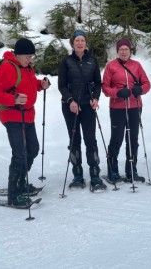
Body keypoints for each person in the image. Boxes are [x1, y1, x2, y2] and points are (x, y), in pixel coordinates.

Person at [0, 38, 50, 207]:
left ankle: (21, 182)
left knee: (33, 149)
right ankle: (14, 195)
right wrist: (13, 99)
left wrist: (40, 84)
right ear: (19, 54)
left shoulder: (27, 67)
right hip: (12, 116)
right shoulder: (7, 67)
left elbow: (27, 85)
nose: (31, 60)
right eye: (28, 56)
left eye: (32, 56)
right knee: (20, 154)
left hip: (28, 116)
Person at [58, 30, 106, 190]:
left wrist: (96, 98)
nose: (80, 43)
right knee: (74, 139)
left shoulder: (92, 61)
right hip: (69, 106)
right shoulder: (66, 61)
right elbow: (62, 85)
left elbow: (98, 83)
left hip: (87, 105)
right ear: (72, 43)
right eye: (77, 40)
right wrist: (70, 100)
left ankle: (95, 174)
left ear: (86, 43)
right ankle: (77, 174)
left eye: (82, 40)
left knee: (90, 139)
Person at [102, 38, 151, 183]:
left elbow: (147, 83)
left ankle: (131, 170)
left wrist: (140, 89)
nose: (124, 51)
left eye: (126, 49)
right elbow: (105, 87)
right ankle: (113, 171)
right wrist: (117, 93)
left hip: (135, 107)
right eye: (121, 49)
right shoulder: (111, 66)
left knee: (133, 140)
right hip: (117, 108)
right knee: (116, 139)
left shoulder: (136, 65)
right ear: (117, 51)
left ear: (130, 51)